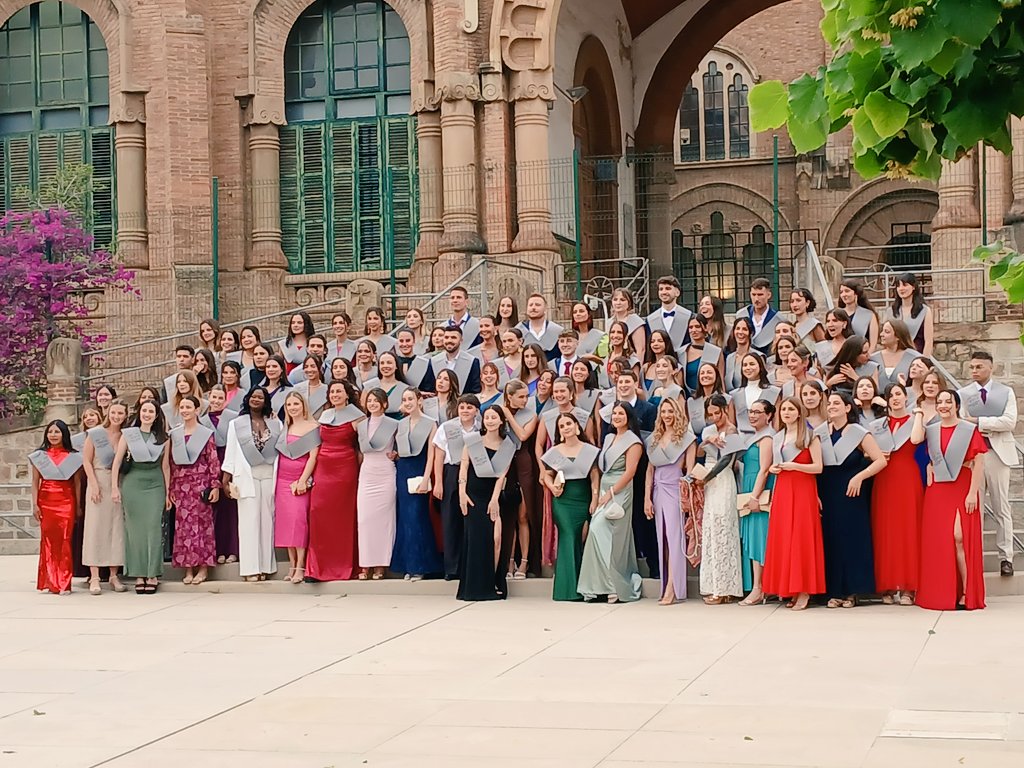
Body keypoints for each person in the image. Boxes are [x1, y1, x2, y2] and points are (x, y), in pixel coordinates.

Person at [913, 390, 987, 610]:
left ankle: (966, 591)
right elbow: (920, 446)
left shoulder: (969, 430)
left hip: (962, 487)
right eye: (940, 402)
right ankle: (941, 592)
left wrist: (973, 492)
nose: (943, 405)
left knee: (959, 538)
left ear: (956, 405)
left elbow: (979, 464)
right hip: (937, 490)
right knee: (938, 542)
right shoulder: (932, 430)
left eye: (948, 402)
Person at [817, 391, 887, 608]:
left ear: (848, 408)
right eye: (829, 404)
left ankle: (852, 591)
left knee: (851, 539)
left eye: (836, 403)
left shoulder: (859, 433)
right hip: (827, 491)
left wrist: (860, 477)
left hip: (851, 492)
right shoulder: (820, 433)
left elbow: (880, 461)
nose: (831, 407)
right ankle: (834, 590)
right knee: (831, 539)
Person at [958, 350, 1019, 576]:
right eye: (972, 367)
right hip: (973, 456)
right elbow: (960, 421)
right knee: (974, 506)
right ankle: (975, 556)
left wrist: (979, 421)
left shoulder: (1006, 392)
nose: (974, 371)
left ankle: (1006, 557)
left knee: (1001, 505)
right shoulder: (963, 393)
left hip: (998, 453)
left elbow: (1009, 422)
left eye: (979, 367)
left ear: (990, 367)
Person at [762, 397, 824, 611]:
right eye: (784, 409)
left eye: (791, 409)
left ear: (799, 413)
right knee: (785, 537)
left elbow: (818, 467)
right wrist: (774, 469)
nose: (787, 412)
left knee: (801, 537)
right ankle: (791, 588)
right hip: (783, 489)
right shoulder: (777, 437)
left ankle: (804, 590)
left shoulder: (810, 436)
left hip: (803, 489)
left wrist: (795, 466)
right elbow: (775, 465)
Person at [579, 402, 644, 603]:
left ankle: (615, 585)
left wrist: (611, 493)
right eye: (614, 413)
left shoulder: (634, 442)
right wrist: (598, 494)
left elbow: (630, 472)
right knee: (595, 533)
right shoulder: (608, 438)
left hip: (621, 491)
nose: (617, 416)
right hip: (605, 488)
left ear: (628, 417)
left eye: (621, 413)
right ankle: (595, 587)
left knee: (608, 535)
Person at [868, 383, 923, 605]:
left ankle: (909, 587)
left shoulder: (914, 421)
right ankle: (887, 584)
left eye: (899, 394)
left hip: (908, 477)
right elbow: (866, 449)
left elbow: (917, 439)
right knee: (885, 530)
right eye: (891, 396)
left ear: (906, 396)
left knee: (908, 529)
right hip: (884, 478)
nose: (895, 399)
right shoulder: (878, 425)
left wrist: (918, 414)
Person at [305, 381, 364, 582]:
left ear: (347, 395)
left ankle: (343, 566)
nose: (335, 394)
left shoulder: (357, 416)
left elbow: (363, 448)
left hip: (345, 470)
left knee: (343, 517)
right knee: (318, 513)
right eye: (332, 392)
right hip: (323, 469)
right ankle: (317, 568)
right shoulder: (324, 416)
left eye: (339, 391)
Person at [457, 405, 516, 601]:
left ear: (501, 421)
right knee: (476, 541)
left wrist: (494, 500)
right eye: (487, 417)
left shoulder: (507, 445)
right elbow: (464, 467)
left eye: (494, 417)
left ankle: (491, 581)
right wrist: (462, 493)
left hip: (492, 496)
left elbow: (501, 476)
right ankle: (476, 587)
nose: (490, 421)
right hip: (473, 494)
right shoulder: (473, 442)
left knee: (496, 539)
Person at [222, 387, 281, 582]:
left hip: (269, 475)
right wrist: (225, 479)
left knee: (267, 521)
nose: (256, 400)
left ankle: (265, 566)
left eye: (260, 397)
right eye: (253, 396)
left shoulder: (275, 423)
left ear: (266, 401)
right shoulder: (236, 424)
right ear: (247, 399)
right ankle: (250, 568)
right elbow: (230, 452)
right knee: (249, 522)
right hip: (246, 476)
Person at [112, 401, 171, 594]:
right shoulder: (129, 435)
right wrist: (115, 487)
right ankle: (139, 574)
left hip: (155, 484)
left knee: (153, 528)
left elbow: (165, 467)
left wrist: (169, 491)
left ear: (156, 415)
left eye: (151, 411)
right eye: (144, 410)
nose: (147, 414)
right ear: (140, 413)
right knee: (135, 531)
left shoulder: (163, 437)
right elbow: (117, 462)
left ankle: (152, 573)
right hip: (133, 484)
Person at [541, 412, 601, 601]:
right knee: (568, 537)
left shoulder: (590, 450)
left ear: (577, 426)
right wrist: (552, 487)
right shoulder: (554, 452)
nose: (566, 427)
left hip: (583, 498)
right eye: (562, 426)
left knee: (581, 538)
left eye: (569, 423)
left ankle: (584, 586)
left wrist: (594, 499)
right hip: (563, 501)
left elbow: (594, 476)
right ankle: (566, 590)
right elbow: (546, 475)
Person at [644, 398, 697, 605]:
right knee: (662, 539)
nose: (667, 415)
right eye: (664, 411)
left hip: (675, 488)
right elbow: (649, 470)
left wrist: (687, 495)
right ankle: (666, 583)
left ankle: (672, 587)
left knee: (674, 538)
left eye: (670, 411)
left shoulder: (687, 438)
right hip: (657, 490)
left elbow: (690, 471)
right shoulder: (655, 438)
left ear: (677, 413)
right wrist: (647, 498)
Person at [168, 396, 221, 587]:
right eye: (182, 407)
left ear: (197, 410)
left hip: (201, 482)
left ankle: (203, 567)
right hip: (181, 483)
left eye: (188, 407)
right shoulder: (174, 434)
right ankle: (188, 567)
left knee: (202, 525)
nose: (184, 410)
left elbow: (213, 460)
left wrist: (215, 485)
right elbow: (171, 463)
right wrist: (171, 487)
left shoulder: (206, 433)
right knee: (183, 527)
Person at [696, 394, 745, 604]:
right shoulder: (710, 431)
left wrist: (707, 478)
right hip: (709, 478)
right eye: (711, 415)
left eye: (718, 413)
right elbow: (699, 451)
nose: (715, 417)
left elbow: (727, 459)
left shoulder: (732, 430)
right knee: (711, 529)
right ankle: (714, 584)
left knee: (723, 527)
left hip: (722, 479)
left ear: (725, 409)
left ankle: (725, 587)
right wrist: (708, 440)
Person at [392, 388, 443, 580]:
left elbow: (432, 453)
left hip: (419, 469)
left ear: (419, 400)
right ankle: (408, 565)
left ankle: (420, 565)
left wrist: (426, 477)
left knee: (417, 518)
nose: (407, 402)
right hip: (403, 469)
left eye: (410, 399)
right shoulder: (401, 423)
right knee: (405, 519)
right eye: (404, 399)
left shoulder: (431, 424)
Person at [29, 420, 83, 595]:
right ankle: (48, 581)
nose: (53, 435)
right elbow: (35, 481)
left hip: (66, 500)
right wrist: (35, 504)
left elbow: (77, 483)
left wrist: (78, 505)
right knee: (48, 541)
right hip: (46, 500)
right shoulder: (40, 456)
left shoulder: (73, 456)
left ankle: (63, 582)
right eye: (50, 432)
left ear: (64, 434)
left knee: (65, 540)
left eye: (57, 432)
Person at [81, 401, 129, 595]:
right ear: (108, 412)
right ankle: (94, 576)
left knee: (116, 527)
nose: (116, 416)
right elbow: (86, 460)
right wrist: (93, 484)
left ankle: (113, 574)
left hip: (118, 483)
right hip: (98, 480)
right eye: (114, 412)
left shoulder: (126, 435)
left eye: (121, 413)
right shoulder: (96, 434)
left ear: (125, 416)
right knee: (95, 527)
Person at [432, 394, 481, 580]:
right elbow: (438, 455)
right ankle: (452, 568)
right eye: (462, 407)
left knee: (471, 519)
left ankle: (470, 566)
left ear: (476, 410)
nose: (465, 411)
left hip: (475, 473)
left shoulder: (482, 428)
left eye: (470, 407)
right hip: (451, 473)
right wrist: (438, 482)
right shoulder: (447, 427)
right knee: (451, 520)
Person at [274, 392, 321, 583]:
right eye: (289, 404)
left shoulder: (313, 427)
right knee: (285, 523)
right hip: (282, 480)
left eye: (296, 403)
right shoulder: (286, 427)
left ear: (303, 405)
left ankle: (301, 565)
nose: (293, 407)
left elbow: (313, 456)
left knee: (298, 522)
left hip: (299, 479)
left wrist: (303, 480)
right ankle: (292, 565)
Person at [356, 388, 399, 580]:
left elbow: (400, 446)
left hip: (385, 471)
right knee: (364, 520)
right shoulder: (361, 425)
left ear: (384, 404)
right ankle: (365, 564)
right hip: (367, 472)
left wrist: (396, 454)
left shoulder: (394, 424)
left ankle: (381, 564)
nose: (372, 404)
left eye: (376, 401)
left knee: (384, 520)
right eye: (370, 401)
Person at [737, 399, 776, 605]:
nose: (752, 415)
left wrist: (754, 496)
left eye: (757, 412)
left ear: (768, 415)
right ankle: (759, 586)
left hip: (759, 488)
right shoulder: (754, 436)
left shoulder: (768, 438)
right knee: (753, 535)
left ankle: (759, 587)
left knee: (759, 537)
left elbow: (764, 468)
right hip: (749, 484)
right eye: (750, 412)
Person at [502, 380, 541, 580]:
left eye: (527, 396)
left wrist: (508, 415)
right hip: (505, 464)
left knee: (523, 515)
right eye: (521, 396)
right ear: (510, 396)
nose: (525, 400)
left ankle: (525, 561)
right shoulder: (498, 413)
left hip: (524, 464)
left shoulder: (531, 415)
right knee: (508, 515)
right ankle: (508, 560)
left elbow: (523, 435)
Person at [203, 385, 240, 564]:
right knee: (213, 511)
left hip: (228, 461)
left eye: (220, 398)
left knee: (230, 509)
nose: (216, 401)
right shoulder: (201, 420)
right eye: (214, 397)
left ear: (225, 400)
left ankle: (232, 550)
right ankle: (217, 550)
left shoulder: (233, 418)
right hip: (209, 466)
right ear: (208, 398)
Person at [733, 353, 780, 433]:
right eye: (745, 365)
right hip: (741, 440)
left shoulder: (774, 391)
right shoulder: (734, 394)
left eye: (752, 364)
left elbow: (777, 422)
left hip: (767, 438)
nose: (748, 368)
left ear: (760, 366)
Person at [889, 273, 933, 355]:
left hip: (916, 357)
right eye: (898, 286)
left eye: (905, 285)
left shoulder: (924, 311)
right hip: (895, 357)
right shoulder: (891, 311)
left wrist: (924, 361)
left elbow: (928, 341)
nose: (901, 289)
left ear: (913, 287)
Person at [872, 319, 921, 391]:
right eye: (882, 331)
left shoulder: (915, 357)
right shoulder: (873, 358)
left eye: (887, 332)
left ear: (898, 336)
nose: (881, 334)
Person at [678, 316, 724, 394]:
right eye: (691, 327)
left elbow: (721, 379)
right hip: (688, 398)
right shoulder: (681, 352)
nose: (694, 330)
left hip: (711, 396)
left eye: (697, 326)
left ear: (705, 328)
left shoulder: (716, 351)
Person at [430, 326, 481, 394]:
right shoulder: (433, 361)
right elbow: (430, 388)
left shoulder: (472, 361)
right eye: (446, 337)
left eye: (453, 338)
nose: (449, 341)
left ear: (461, 340)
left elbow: (475, 390)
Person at [686, 362, 730, 440]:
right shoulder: (691, 402)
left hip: (719, 440)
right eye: (702, 373)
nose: (705, 375)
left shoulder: (727, 399)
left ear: (716, 376)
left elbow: (730, 425)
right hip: (696, 441)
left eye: (709, 372)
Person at [736, 278, 781, 354]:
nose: (756, 299)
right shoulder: (741, 314)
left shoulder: (777, 319)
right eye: (753, 295)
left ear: (769, 295)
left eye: (760, 295)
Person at [646, 275, 691, 350]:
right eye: (661, 289)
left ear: (677, 292)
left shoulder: (689, 317)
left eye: (668, 288)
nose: (663, 292)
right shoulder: (650, 319)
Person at [361, 350, 408, 417]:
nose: (385, 366)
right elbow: (363, 412)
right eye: (382, 363)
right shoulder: (369, 386)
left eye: (389, 363)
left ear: (396, 366)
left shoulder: (405, 389)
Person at [518, 293, 563, 359]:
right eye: (530, 305)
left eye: (537, 305)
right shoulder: (518, 331)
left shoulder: (557, 331)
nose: (533, 307)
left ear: (545, 309)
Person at [838, 279, 879, 350]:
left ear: (856, 293)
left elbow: (873, 344)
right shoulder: (837, 314)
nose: (844, 294)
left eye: (847, 291)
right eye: (841, 292)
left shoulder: (869, 315)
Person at [610, 287, 647, 363]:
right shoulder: (610, 322)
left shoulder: (636, 321)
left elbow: (641, 349)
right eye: (615, 299)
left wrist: (637, 368)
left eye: (622, 300)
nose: (618, 303)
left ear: (629, 303)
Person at [395, 327, 436, 393]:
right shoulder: (393, 362)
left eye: (408, 340)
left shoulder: (424, 363)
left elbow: (429, 388)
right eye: (401, 341)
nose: (404, 344)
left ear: (414, 341)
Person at [724, 317, 758, 391]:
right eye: (738, 328)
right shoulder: (729, 358)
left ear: (751, 333)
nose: (740, 332)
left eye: (744, 329)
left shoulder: (757, 356)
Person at [280, 311, 314, 375]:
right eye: (293, 323)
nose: (295, 325)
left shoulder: (314, 343)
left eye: (299, 323)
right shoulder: (284, 344)